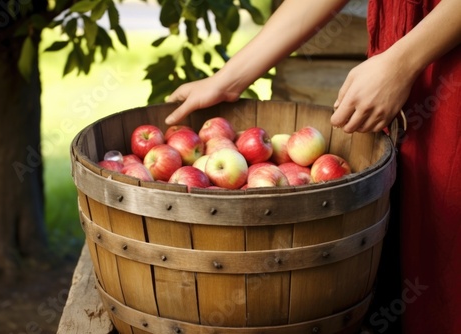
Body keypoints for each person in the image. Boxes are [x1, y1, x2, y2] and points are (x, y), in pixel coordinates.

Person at [164, 0, 461, 333]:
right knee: (417, 246)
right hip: (405, 63)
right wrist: (230, 78)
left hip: (443, 68)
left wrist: (403, 61)